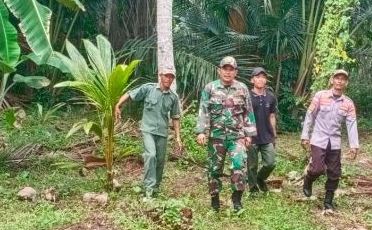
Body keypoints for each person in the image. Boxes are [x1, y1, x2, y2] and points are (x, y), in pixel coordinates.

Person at [196, 56, 257, 212]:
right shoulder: (210, 88)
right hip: (216, 136)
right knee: (214, 169)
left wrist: (249, 134)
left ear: (235, 72)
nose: (228, 72)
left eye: (231, 69)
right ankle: (215, 200)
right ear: (219, 70)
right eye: (225, 69)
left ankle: (236, 200)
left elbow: (248, 112)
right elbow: (203, 110)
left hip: (237, 136)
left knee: (239, 165)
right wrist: (201, 131)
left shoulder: (242, 88)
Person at [115, 67, 182, 198]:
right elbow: (131, 93)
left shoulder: (173, 97)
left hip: (162, 132)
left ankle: (156, 188)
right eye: (166, 76)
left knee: (161, 161)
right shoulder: (148, 88)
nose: (168, 79)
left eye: (171, 77)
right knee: (151, 155)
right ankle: (148, 190)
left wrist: (178, 137)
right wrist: (118, 105)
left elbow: (175, 117)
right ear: (160, 75)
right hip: (148, 130)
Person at [300, 69, 359, 213]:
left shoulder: (348, 103)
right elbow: (310, 116)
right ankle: (308, 180)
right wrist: (305, 136)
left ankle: (328, 201)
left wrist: (354, 145)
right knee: (317, 169)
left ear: (346, 83)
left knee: (334, 172)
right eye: (337, 78)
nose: (339, 81)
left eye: (343, 79)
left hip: (335, 142)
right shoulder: (320, 96)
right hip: (319, 139)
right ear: (332, 80)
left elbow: (351, 125)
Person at [247, 67, 277, 194]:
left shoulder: (270, 97)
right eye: (258, 77)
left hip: (266, 136)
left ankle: (260, 178)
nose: (260, 79)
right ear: (252, 80)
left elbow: (272, 116)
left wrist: (274, 134)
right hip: (251, 136)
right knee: (252, 165)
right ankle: (253, 189)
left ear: (266, 80)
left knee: (270, 163)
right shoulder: (246, 96)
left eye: (263, 77)